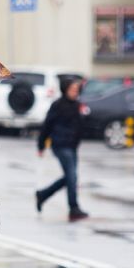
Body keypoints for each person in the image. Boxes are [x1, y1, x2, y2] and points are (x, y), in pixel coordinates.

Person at [36, 79, 89, 222]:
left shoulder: (78, 105)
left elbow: (81, 125)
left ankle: (43, 195)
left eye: (77, 89)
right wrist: (41, 146)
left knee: (70, 178)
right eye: (72, 89)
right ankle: (74, 208)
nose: (75, 92)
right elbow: (47, 125)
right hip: (60, 144)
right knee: (72, 176)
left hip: (72, 146)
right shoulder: (58, 105)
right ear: (65, 89)